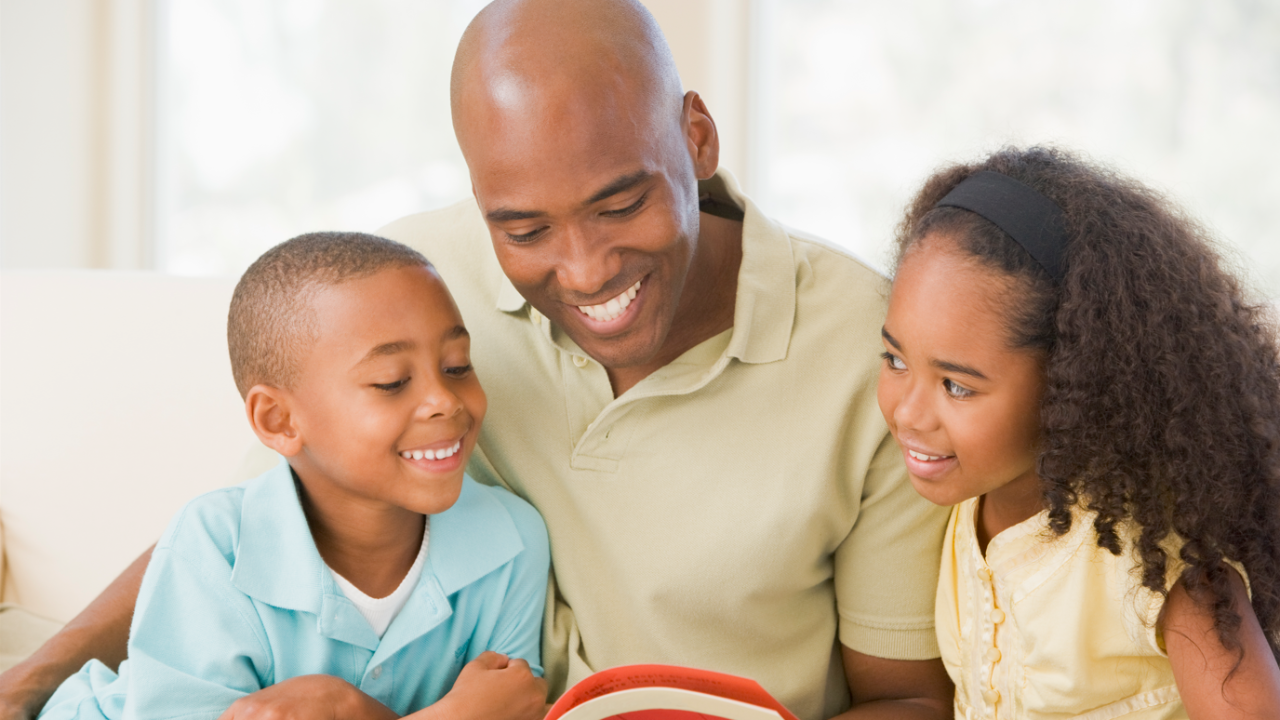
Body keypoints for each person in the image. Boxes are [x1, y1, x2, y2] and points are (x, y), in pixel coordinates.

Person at [0, 2, 954, 719]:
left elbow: (910, 699)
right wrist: (31, 680)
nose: (584, 271)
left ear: (695, 137)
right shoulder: (413, 291)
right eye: (523, 225)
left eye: (623, 204)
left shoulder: (870, 348)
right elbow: (240, 535)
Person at [35, 233, 551, 720]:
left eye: (458, 366)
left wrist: (351, 709)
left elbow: (509, 705)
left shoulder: (512, 540)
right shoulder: (215, 542)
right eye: (391, 382)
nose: (444, 401)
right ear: (279, 421)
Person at [876, 146, 1280, 717]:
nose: (908, 414)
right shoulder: (964, 507)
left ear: (1075, 377)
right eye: (894, 360)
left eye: (957, 387)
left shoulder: (1159, 561)